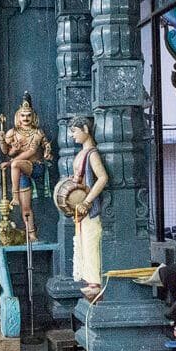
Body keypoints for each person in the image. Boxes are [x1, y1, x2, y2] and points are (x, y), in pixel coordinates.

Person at [0, 92, 51, 241]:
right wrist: (2, 140)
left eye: (28, 115)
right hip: (20, 172)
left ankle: (14, 195)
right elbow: (6, 151)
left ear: (33, 116)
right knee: (25, 207)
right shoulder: (13, 133)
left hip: (35, 167)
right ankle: (31, 234)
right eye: (23, 115)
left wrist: (10, 162)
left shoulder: (37, 133)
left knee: (15, 163)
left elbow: (32, 151)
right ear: (18, 117)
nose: (26, 118)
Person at [69, 116, 107, 302]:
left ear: (85, 128)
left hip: (89, 208)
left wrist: (88, 201)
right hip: (80, 209)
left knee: (91, 244)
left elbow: (102, 178)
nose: (72, 135)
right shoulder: (81, 153)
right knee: (83, 244)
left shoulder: (92, 153)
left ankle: (95, 284)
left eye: (75, 131)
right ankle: (90, 280)